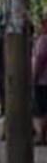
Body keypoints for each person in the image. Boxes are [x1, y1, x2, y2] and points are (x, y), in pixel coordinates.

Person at [31, 17, 47, 145]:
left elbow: (40, 59)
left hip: (42, 80)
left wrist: (35, 77)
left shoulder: (43, 40)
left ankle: (42, 136)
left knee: (41, 110)